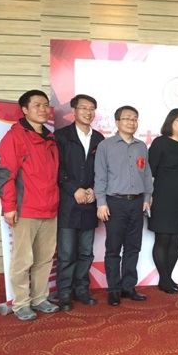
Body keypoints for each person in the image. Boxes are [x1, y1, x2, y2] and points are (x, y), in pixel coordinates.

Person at [0, 89, 60, 321]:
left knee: (45, 258)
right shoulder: (16, 137)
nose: (43, 109)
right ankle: (21, 303)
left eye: (45, 105)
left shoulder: (50, 138)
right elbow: (5, 175)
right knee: (23, 259)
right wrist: (9, 207)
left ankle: (40, 298)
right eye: (37, 105)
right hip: (26, 210)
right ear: (24, 110)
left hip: (50, 208)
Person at [94, 105, 153, 306]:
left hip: (137, 202)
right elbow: (100, 176)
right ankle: (113, 289)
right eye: (127, 118)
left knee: (133, 247)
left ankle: (128, 287)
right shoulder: (105, 146)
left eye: (134, 119)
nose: (131, 122)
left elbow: (146, 174)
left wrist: (147, 197)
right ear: (117, 122)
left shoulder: (141, 146)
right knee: (113, 248)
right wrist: (101, 203)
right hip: (115, 203)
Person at [54, 94, 105, 311]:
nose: (88, 112)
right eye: (83, 108)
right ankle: (64, 292)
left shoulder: (99, 139)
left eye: (92, 108)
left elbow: (103, 170)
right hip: (68, 202)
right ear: (73, 111)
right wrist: (73, 188)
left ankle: (81, 289)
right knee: (66, 253)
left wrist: (94, 189)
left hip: (90, 203)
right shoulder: (61, 136)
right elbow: (57, 168)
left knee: (86, 251)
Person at [147, 109, 178, 294]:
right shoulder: (160, 142)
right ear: (170, 122)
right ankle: (165, 280)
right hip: (162, 197)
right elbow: (151, 172)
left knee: (176, 239)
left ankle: (168, 278)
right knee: (163, 238)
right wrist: (148, 196)